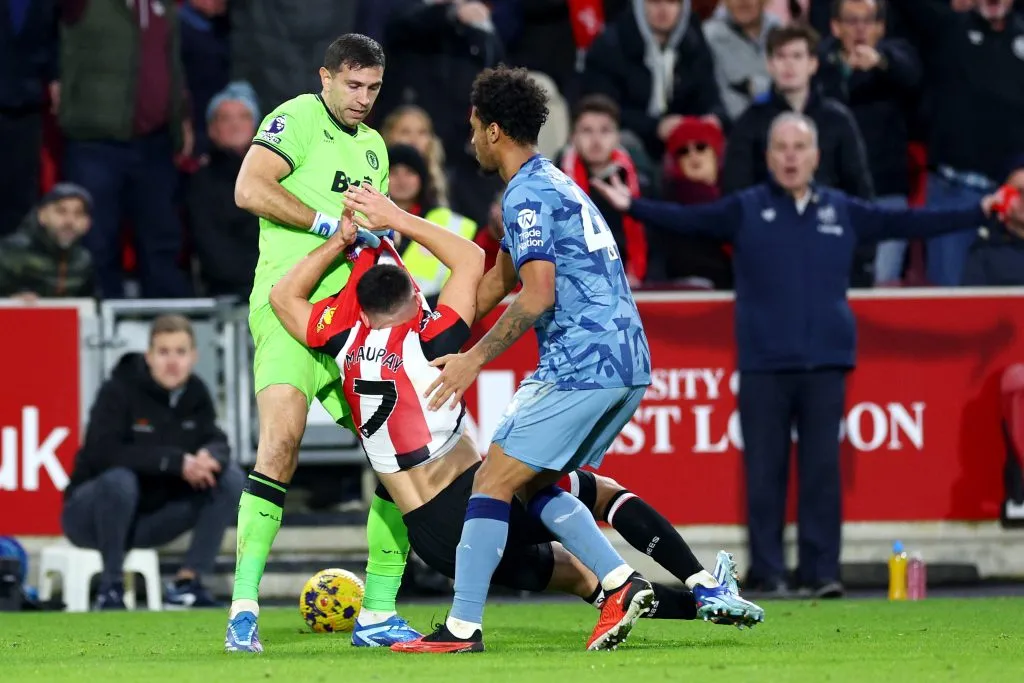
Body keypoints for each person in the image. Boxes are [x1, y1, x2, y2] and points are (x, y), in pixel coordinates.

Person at [268, 184, 763, 642]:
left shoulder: (342, 342)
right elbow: (470, 256)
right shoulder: (430, 337)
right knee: (581, 487)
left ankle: (692, 604)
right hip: (465, 501)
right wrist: (399, 218)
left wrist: (338, 240)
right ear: (411, 298)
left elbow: (281, 296)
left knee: (575, 576)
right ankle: (691, 583)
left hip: (431, 541)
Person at [592, 112, 1013, 598]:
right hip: (764, 362)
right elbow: (687, 220)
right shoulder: (747, 208)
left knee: (821, 474)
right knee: (764, 474)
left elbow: (909, 220)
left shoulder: (842, 209)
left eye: (799, 147)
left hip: (826, 361)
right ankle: (769, 572)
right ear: (768, 157)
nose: (790, 156)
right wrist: (632, 206)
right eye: (781, 148)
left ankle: (821, 571)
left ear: (815, 156)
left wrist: (980, 210)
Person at [381, 65, 653, 654]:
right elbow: (496, 283)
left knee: (493, 478)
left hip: (584, 361)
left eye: (475, 127)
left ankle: (472, 625)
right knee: (533, 483)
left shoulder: (526, 194)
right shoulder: (549, 182)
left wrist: (473, 359)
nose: (470, 139)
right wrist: (430, 339)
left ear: (495, 130)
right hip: (626, 360)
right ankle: (625, 582)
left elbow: (536, 294)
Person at [226, 33, 416, 653]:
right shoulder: (298, 116)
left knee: (400, 452)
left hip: (350, 322)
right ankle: (244, 609)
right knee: (280, 442)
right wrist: (328, 225)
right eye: (353, 85)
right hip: (287, 309)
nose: (363, 99)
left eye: (373, 89)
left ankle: (380, 611)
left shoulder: (376, 149)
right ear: (326, 77)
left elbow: (376, 236)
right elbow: (249, 189)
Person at [62, 315, 245, 610]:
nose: (172, 362)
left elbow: (217, 438)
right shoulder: (119, 389)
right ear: (149, 356)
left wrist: (210, 456)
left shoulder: (195, 393)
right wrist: (174, 462)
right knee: (120, 480)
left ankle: (188, 583)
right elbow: (102, 452)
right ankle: (110, 587)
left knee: (230, 477)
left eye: (180, 352)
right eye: (163, 352)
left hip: (150, 519)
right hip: (89, 516)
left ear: (194, 356)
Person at [722, 23, 876, 286]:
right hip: (770, 259)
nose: (788, 65)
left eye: (797, 56)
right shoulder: (749, 122)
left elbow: (860, 191)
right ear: (769, 65)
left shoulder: (837, 119)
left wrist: (858, 258)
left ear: (813, 64)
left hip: (832, 256)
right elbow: (737, 194)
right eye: (780, 57)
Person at [58, 0, 193, 299]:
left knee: (161, 239)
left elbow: (171, 63)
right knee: (97, 240)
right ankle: (99, 327)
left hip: (155, 143)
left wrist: (181, 116)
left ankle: (168, 331)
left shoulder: (163, 6)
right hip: (95, 141)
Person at [817, 0, 922, 284]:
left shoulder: (896, 56)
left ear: (881, 27)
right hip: (834, 197)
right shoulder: (819, 65)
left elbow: (912, 75)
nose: (860, 29)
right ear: (835, 27)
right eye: (851, 20)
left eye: (868, 21)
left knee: (879, 287)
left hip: (885, 194)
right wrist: (841, 74)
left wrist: (880, 62)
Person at [582, 0, 724, 160]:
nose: (663, 9)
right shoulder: (610, 45)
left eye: (672, 2)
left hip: (682, 145)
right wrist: (656, 127)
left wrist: (712, 117)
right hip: (629, 141)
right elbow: (602, 109)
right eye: (654, 1)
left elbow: (708, 94)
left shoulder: (694, 43)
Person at [555, 95, 649, 287]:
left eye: (605, 131)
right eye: (587, 131)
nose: (596, 140)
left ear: (617, 137)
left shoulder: (639, 181)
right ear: (573, 137)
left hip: (632, 286)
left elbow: (654, 244)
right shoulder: (554, 183)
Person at [185, 82, 261, 299]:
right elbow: (209, 244)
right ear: (211, 129)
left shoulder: (279, 174)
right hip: (225, 292)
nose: (235, 125)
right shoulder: (200, 181)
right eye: (225, 118)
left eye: (244, 117)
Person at [384, 144, 477, 305]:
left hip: (435, 314)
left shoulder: (450, 223)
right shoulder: (365, 220)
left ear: (422, 179)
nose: (401, 180)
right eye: (393, 172)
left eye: (410, 173)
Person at [0, 184, 95, 301]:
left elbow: (93, 308)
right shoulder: (10, 252)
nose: (70, 221)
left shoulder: (84, 261)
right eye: (61, 211)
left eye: (78, 214)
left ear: (87, 223)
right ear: (42, 215)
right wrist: (9, 302)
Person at [702, 0, 784, 122]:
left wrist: (755, 87)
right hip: (731, 126)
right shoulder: (709, 36)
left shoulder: (780, 31)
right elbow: (718, 93)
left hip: (780, 125)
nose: (743, 2)